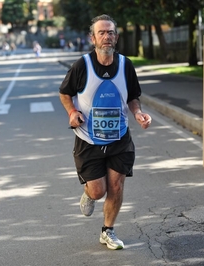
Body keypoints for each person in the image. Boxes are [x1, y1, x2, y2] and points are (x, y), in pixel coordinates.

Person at [59, 14, 152, 250]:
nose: (107, 36)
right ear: (93, 38)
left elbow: (133, 97)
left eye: (110, 32)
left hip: (119, 138)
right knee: (99, 190)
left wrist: (138, 113)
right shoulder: (82, 65)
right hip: (88, 139)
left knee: (117, 186)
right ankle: (89, 193)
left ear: (116, 37)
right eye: (101, 32)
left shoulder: (126, 65)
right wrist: (72, 112)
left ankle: (108, 230)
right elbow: (65, 92)